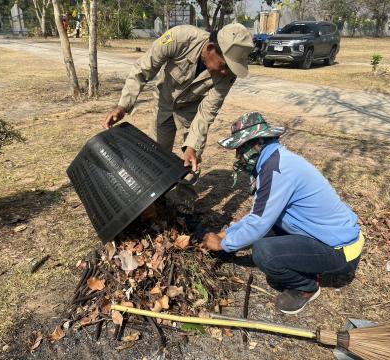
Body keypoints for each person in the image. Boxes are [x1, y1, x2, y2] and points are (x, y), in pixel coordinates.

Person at [201, 112, 364, 314]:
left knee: (264, 252)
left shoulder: (276, 169)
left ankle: (306, 287)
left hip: (341, 250)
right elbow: (258, 214)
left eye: (241, 148)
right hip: (323, 236)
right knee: (266, 232)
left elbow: (258, 223)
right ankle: (307, 264)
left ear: (258, 143)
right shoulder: (275, 160)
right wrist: (227, 233)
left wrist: (223, 244)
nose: (238, 156)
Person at [103, 24, 254, 215]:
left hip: (190, 109)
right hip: (164, 102)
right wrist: (123, 106)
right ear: (210, 49)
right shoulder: (179, 38)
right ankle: (153, 200)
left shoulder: (228, 74)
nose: (225, 72)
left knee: (191, 158)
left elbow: (208, 112)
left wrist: (192, 145)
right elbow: (142, 69)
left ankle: (185, 202)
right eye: (224, 65)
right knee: (155, 154)